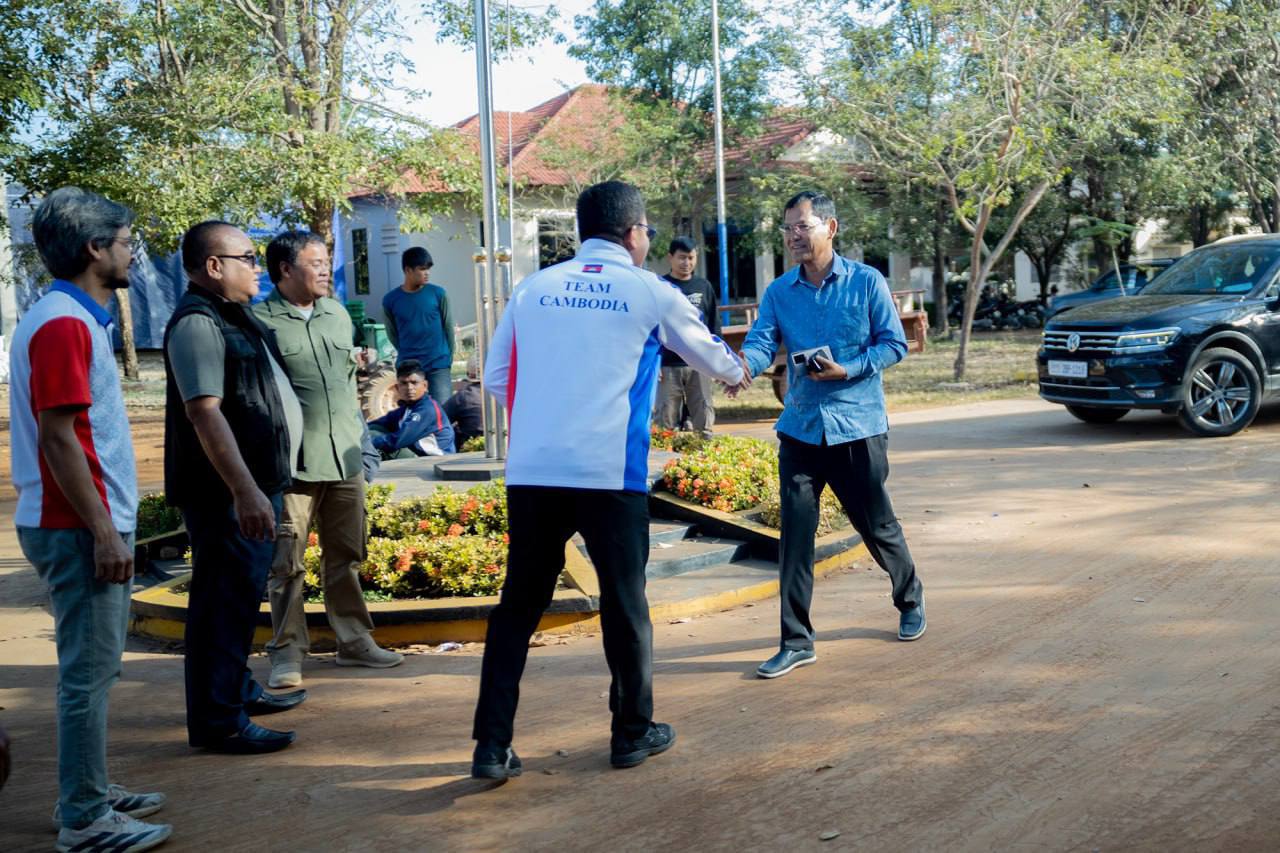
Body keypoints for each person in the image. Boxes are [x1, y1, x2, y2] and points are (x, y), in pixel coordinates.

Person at [470, 180, 745, 779]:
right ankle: (631, 733)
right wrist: (736, 372)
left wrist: (546, 414)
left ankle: (490, 746)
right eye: (647, 231)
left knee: (518, 606)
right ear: (633, 232)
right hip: (608, 471)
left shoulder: (533, 288)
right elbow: (709, 355)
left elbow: (495, 376)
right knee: (625, 603)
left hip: (535, 470)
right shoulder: (650, 290)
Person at [10, 186, 171, 851]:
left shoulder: (70, 317)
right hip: (76, 525)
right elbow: (59, 439)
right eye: (126, 242)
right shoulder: (63, 324)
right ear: (93, 249)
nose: (132, 253)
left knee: (95, 670)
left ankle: (88, 789)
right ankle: (84, 817)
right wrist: (104, 531)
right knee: (87, 673)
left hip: (80, 521)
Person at [738, 190, 925, 681]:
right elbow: (762, 341)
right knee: (795, 537)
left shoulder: (866, 281)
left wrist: (849, 369)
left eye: (803, 226)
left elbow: (894, 344)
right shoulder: (780, 292)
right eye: (788, 229)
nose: (794, 237)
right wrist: (744, 366)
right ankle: (796, 641)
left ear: (830, 227)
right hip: (801, 429)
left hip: (857, 425)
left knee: (875, 524)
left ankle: (910, 598)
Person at [164, 220, 306, 755]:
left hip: (252, 484)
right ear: (214, 266)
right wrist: (244, 491)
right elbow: (204, 413)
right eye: (247, 257)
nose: (257, 267)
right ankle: (219, 720)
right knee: (223, 604)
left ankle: (237, 691)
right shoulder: (198, 323)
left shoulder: (231, 315)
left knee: (241, 599)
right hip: (224, 492)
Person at [253, 231, 404, 690]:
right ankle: (287, 652)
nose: (325, 270)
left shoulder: (337, 315)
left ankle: (354, 641)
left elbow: (347, 386)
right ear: (285, 269)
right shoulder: (259, 322)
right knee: (286, 564)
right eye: (315, 263)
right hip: (293, 466)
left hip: (345, 459)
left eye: (326, 261)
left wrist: (365, 446)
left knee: (347, 556)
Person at [655, 236, 720, 438]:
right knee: (664, 424)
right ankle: (664, 457)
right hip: (667, 365)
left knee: (704, 419)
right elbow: (651, 327)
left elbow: (714, 326)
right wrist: (654, 362)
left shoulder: (704, 287)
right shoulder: (660, 287)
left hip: (698, 364)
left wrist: (715, 361)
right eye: (682, 257)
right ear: (670, 258)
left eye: (691, 258)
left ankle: (704, 454)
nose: (687, 263)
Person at [382, 246, 454, 404]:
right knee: (412, 413)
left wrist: (448, 358)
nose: (427, 273)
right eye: (422, 269)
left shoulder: (438, 294)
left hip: (438, 365)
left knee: (443, 411)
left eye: (428, 269)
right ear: (408, 270)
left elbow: (448, 328)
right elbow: (392, 333)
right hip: (408, 368)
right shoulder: (390, 300)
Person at [367, 360, 456, 458]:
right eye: (404, 383)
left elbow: (398, 441)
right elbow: (379, 423)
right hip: (419, 456)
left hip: (435, 459)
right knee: (373, 429)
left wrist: (368, 443)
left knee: (376, 442)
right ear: (397, 387)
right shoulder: (407, 408)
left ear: (425, 386)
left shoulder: (427, 409)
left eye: (414, 383)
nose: (409, 388)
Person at [442, 353, 483, 446]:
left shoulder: (463, 396)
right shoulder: (505, 393)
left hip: (470, 448)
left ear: (468, 374)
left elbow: (440, 420)